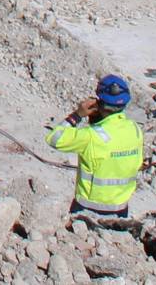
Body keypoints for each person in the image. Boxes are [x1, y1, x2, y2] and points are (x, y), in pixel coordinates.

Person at [46, 75, 144, 218]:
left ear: (99, 103)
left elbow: (54, 139)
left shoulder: (91, 135)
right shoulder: (135, 129)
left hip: (87, 209)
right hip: (121, 209)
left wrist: (77, 115)